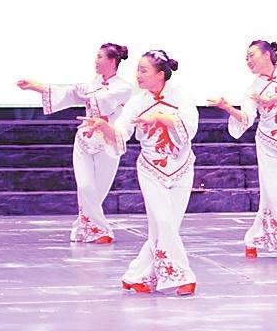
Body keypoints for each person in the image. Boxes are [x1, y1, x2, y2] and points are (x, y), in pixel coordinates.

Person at [81, 50, 199, 295]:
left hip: (182, 168)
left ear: (160, 74)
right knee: (163, 222)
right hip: (151, 170)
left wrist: (160, 117)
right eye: (137, 70)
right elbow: (121, 134)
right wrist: (104, 126)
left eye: (144, 70)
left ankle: (136, 276)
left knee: (165, 227)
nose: (138, 75)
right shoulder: (136, 103)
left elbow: (190, 129)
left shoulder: (181, 96)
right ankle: (183, 277)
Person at [17, 44, 132, 243]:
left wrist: (84, 92)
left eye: (100, 57)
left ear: (112, 61)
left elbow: (102, 100)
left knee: (98, 191)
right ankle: (101, 231)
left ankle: (83, 228)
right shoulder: (91, 85)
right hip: (84, 140)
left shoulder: (123, 88)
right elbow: (69, 93)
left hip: (107, 141)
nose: (96, 61)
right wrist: (36, 86)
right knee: (85, 186)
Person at [209, 40, 277, 261]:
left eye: (252, 55)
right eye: (246, 58)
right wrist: (227, 107)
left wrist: (272, 98)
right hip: (268, 143)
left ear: (267, 54)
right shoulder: (252, 89)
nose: (248, 60)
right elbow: (246, 118)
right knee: (272, 192)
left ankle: (253, 239)